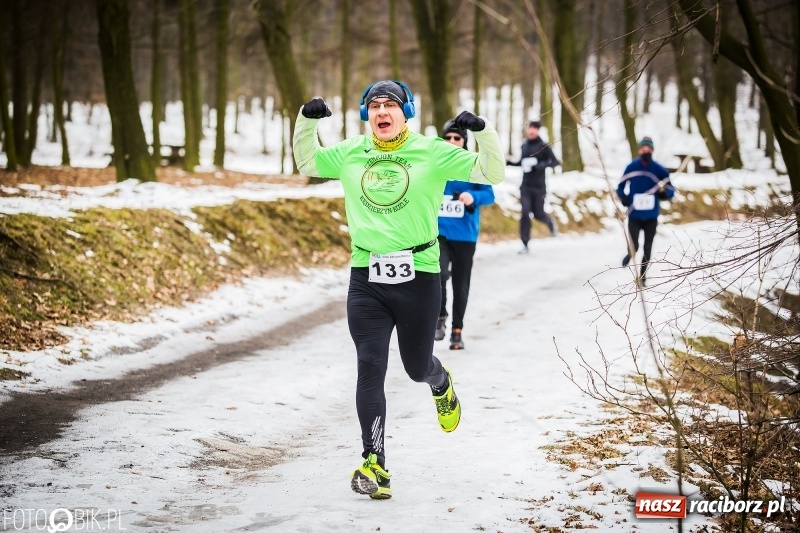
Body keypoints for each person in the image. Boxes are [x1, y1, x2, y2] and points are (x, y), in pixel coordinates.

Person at [293, 80, 504, 500]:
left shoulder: (431, 151)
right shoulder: (353, 151)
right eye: (374, 105)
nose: (382, 111)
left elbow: (491, 172)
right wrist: (306, 121)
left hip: (419, 275)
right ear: (365, 114)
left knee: (413, 367)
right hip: (366, 276)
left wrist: (482, 132)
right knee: (370, 366)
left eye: (391, 104)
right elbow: (308, 163)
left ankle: (439, 380)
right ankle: (376, 463)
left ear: (406, 112)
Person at [435, 120, 495, 350]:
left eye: (457, 138)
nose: (452, 142)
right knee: (437, 274)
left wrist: (473, 197)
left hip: (465, 236)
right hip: (438, 233)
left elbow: (489, 195)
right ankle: (440, 317)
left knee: (461, 283)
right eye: (447, 138)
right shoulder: (436, 164)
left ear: (464, 142)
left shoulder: (474, 165)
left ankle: (457, 330)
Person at [616, 136, 675, 287]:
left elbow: (670, 189)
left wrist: (664, 195)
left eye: (648, 148)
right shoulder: (632, 167)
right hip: (634, 215)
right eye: (643, 148)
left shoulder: (658, 169)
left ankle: (642, 277)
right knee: (634, 245)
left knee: (647, 248)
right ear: (639, 150)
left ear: (652, 150)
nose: (646, 150)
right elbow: (620, 186)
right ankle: (630, 255)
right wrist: (624, 198)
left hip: (651, 216)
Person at [506, 120, 560, 253]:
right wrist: (511, 163)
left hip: (539, 187)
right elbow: (523, 163)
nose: (532, 130)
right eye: (530, 127)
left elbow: (555, 162)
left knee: (538, 214)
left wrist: (541, 165)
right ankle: (525, 244)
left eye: (535, 128)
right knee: (525, 213)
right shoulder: (524, 146)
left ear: (538, 130)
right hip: (525, 186)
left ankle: (550, 222)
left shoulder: (544, 146)